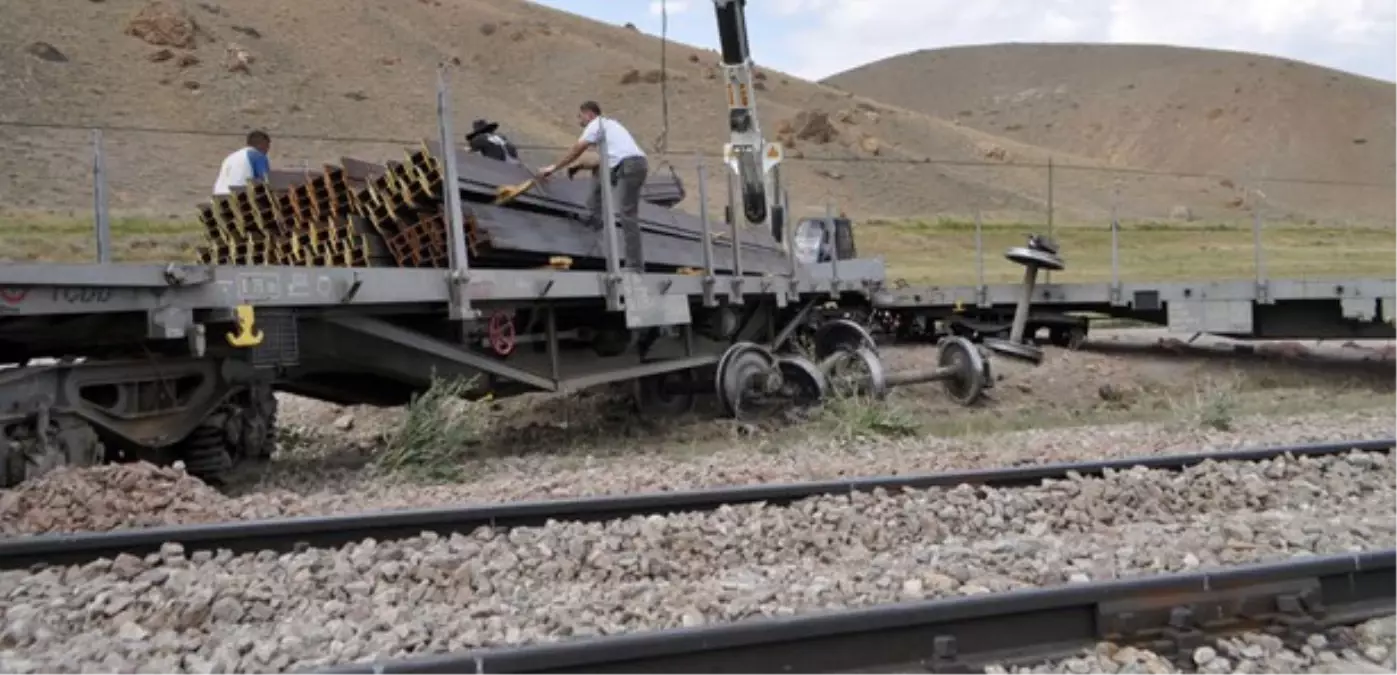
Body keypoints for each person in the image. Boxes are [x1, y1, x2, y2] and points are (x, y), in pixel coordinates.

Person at [538, 101, 649, 272]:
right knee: (599, 173)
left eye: (580, 116)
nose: (579, 121)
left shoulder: (596, 124)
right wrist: (577, 166)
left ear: (589, 114)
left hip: (629, 166)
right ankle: (594, 217)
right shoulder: (610, 126)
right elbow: (598, 159)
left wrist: (553, 168)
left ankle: (635, 265)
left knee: (627, 214)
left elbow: (578, 149)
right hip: (631, 164)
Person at [212, 130, 271, 196]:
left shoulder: (231, 157)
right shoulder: (258, 155)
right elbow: (266, 179)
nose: (267, 150)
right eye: (267, 146)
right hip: (239, 196)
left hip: (219, 196)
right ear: (262, 144)